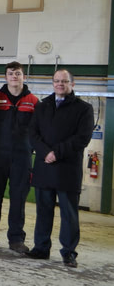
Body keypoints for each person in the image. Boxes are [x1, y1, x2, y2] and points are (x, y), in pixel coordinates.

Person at [25, 69, 94, 268]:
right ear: (52, 83)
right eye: (56, 81)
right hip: (44, 167)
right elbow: (32, 133)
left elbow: (82, 138)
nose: (60, 84)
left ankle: (69, 252)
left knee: (69, 214)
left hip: (67, 169)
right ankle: (41, 248)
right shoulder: (43, 105)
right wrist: (45, 152)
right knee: (43, 211)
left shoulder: (84, 109)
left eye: (64, 81)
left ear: (73, 84)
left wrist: (57, 153)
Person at [0, 61, 38, 252]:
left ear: (24, 76)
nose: (14, 76)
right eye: (10, 73)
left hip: (22, 158)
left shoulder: (33, 101)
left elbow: (38, 131)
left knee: (18, 199)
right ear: (5, 77)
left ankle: (16, 240)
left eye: (18, 73)